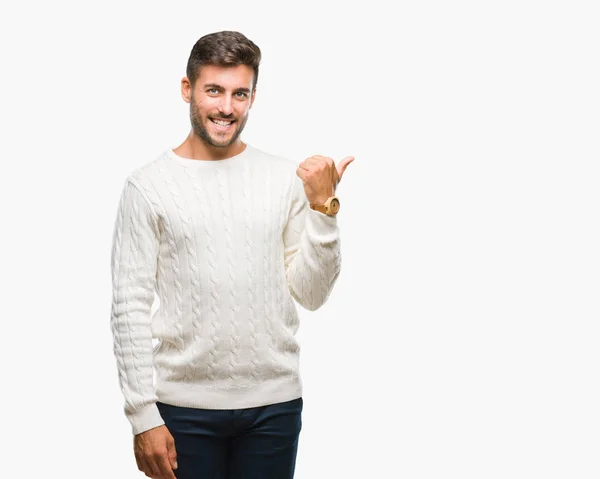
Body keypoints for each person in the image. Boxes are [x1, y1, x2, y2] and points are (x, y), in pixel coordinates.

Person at [110, 30, 353, 479]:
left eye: (239, 93)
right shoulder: (148, 186)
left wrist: (323, 210)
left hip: (274, 409)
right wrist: (143, 416)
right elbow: (129, 305)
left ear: (253, 97)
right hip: (183, 411)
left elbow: (312, 294)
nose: (226, 107)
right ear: (188, 90)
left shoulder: (284, 178)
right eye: (214, 91)